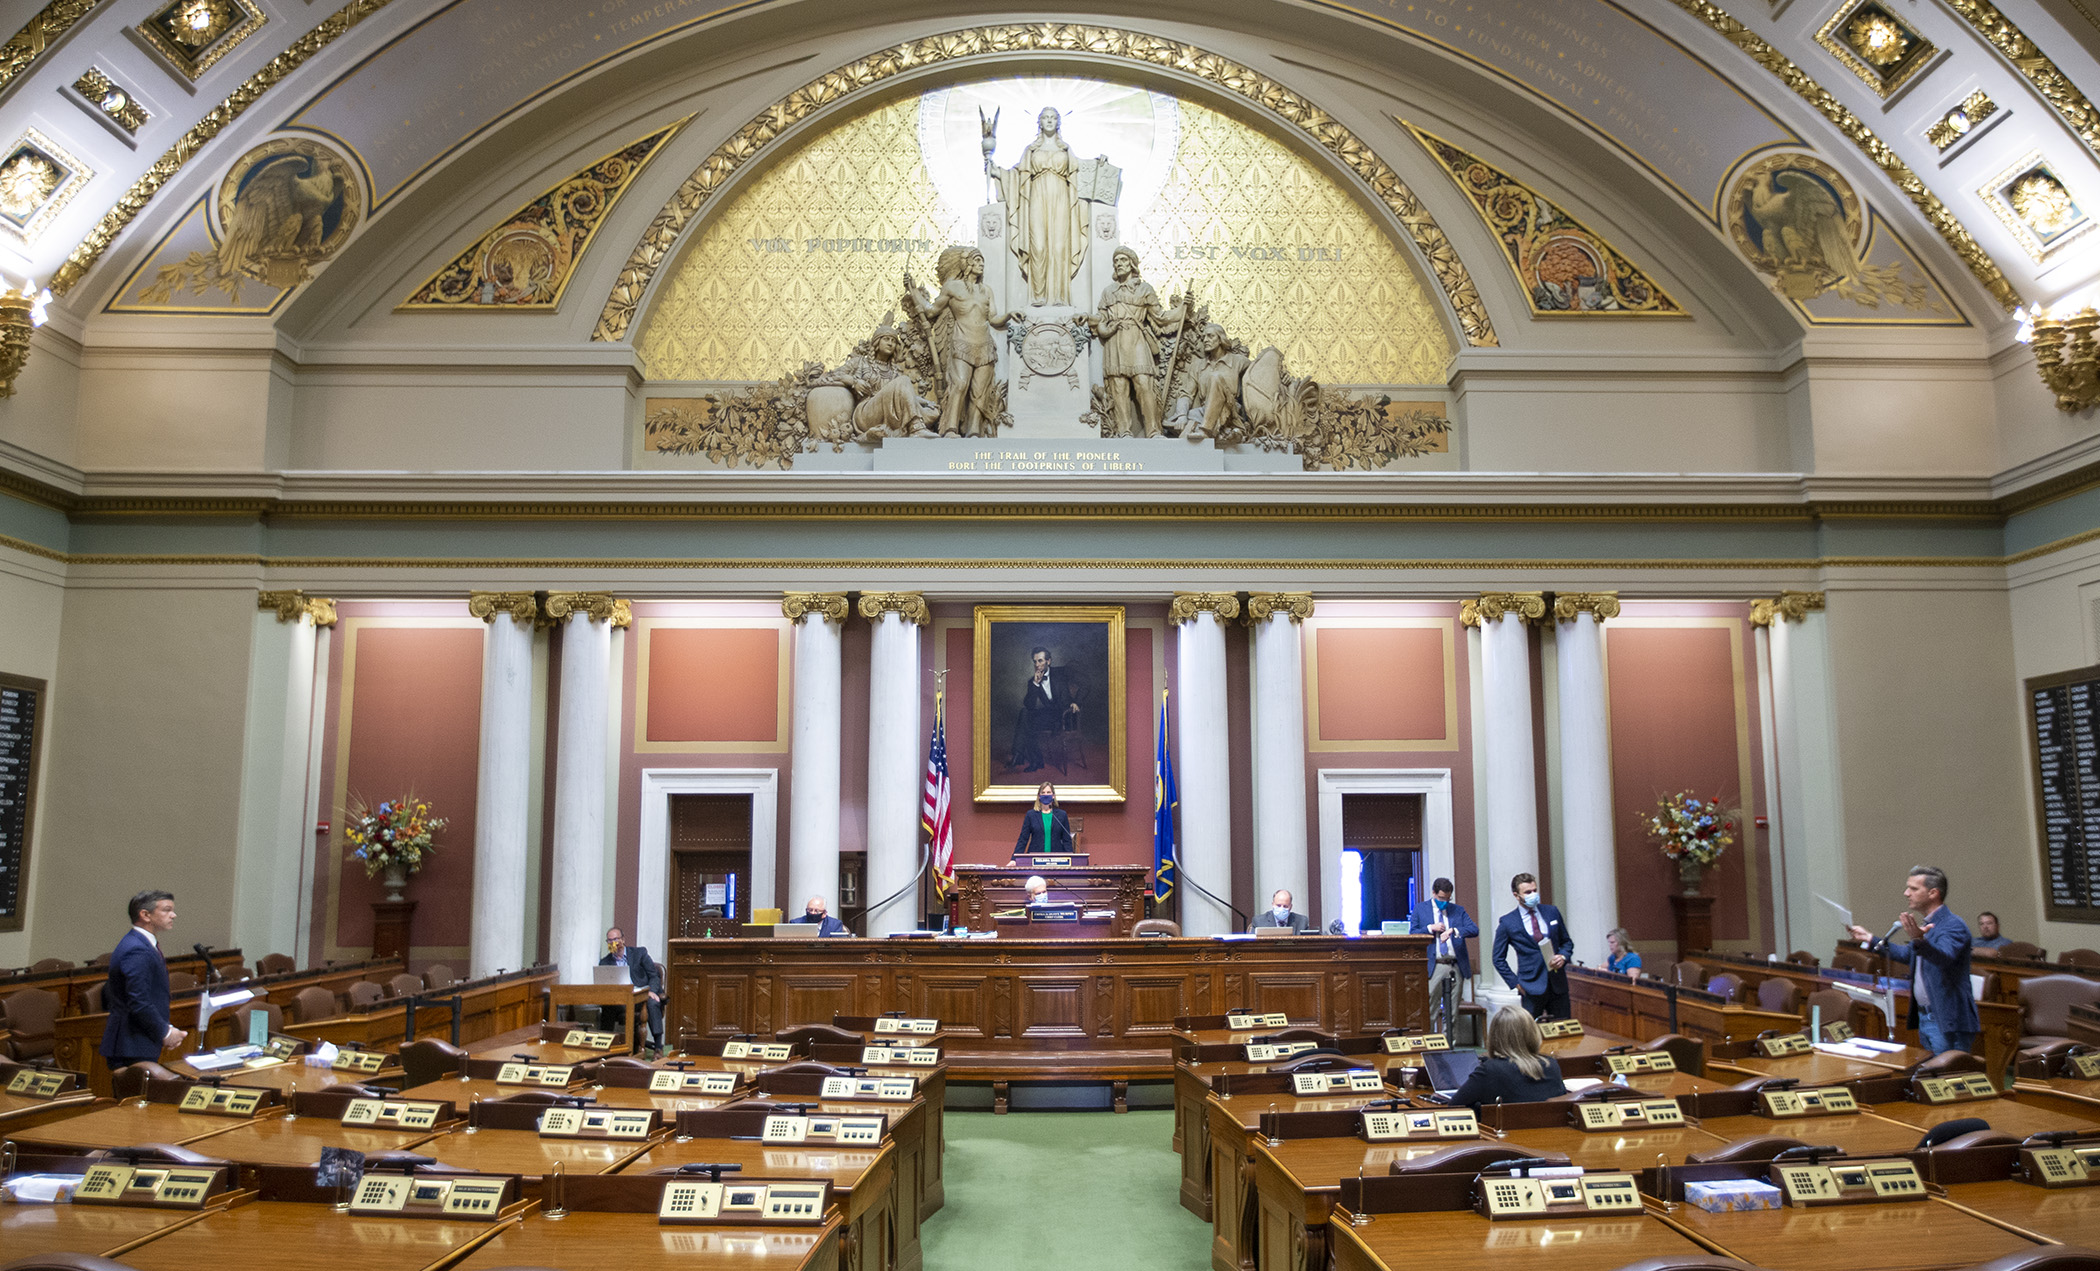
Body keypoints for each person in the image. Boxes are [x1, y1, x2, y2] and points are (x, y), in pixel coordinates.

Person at [1848, 865, 1978, 1055]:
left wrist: (1919, 940)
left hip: (1947, 1020)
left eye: (1914, 889)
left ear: (1933, 893)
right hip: (1927, 1017)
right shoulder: (1927, 925)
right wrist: (1870, 939)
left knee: (1946, 1078)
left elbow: (1944, 957)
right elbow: (1907, 955)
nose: (1906, 893)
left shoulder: (1953, 925)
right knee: (1930, 1078)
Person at [100, 890, 185, 1071]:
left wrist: (165, 1028)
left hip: (137, 1039)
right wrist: (166, 1032)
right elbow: (139, 1001)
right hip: (130, 1042)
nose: (173, 915)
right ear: (145, 915)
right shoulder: (136, 949)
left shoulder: (142, 944)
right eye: (167, 910)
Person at [1446, 1007, 1568, 1109]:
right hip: (1548, 1134)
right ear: (1533, 1033)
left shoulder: (1490, 1070)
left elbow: (1454, 1106)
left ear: (1495, 1036)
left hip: (1502, 1136)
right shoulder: (1551, 1065)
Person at [1492, 873, 1575, 1020]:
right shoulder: (1508, 922)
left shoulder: (1552, 912)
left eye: (1535, 890)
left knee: (1563, 1031)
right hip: (1530, 987)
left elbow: (1567, 942)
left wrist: (1563, 956)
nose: (1533, 895)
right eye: (1528, 892)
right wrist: (1515, 983)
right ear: (1517, 895)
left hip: (1557, 984)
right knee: (1530, 1034)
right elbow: (1498, 959)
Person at [1408, 878, 1477, 1033]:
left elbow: (1473, 929)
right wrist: (1430, 928)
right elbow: (1413, 933)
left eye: (1447, 899)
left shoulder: (1458, 910)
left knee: (1452, 1011)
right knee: (1430, 1009)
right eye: (1441, 898)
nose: (1444, 902)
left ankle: (1449, 1046)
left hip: (1455, 965)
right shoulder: (1420, 909)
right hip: (1434, 966)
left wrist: (1454, 931)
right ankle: (1429, 1044)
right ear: (1433, 893)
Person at [1010, 650, 1082, 773]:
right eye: (1035, 661)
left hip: (1064, 717)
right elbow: (1029, 705)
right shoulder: (1032, 681)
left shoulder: (1060, 673)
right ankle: (1030, 758)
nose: (1037, 664)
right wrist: (1035, 684)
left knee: (1027, 723)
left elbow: (1082, 682)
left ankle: (1022, 756)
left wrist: (1076, 702)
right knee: (1025, 714)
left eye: (1040, 660)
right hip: (1049, 716)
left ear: (1048, 661)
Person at [596, 926, 664, 1055]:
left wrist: (651, 991)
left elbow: (653, 975)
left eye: (616, 939)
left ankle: (658, 1046)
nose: (613, 943)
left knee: (652, 1003)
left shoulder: (639, 954)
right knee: (607, 1006)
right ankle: (605, 1047)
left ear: (623, 939)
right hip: (621, 999)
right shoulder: (605, 962)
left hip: (641, 995)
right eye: (609, 941)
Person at [1013, 780, 1075, 854]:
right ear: (1039, 796)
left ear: (1053, 796)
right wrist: (1014, 859)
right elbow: (1023, 839)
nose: (1046, 795)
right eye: (1043, 793)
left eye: (1048, 792)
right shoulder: (1031, 815)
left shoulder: (1062, 815)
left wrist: (1071, 858)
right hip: (1035, 857)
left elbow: (1066, 840)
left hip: (1057, 858)